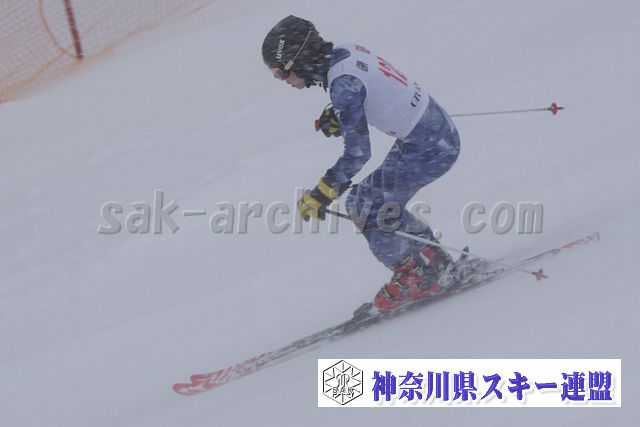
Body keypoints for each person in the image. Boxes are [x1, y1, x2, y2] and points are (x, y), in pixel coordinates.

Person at [261, 15, 461, 312]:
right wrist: (342, 115)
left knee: (366, 205)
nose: (284, 81)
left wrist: (323, 192)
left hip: (430, 146)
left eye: (280, 73)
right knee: (370, 202)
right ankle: (433, 262)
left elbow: (358, 153)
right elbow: (372, 90)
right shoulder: (345, 52)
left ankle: (417, 275)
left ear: (298, 60)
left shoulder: (343, 86)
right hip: (431, 132)